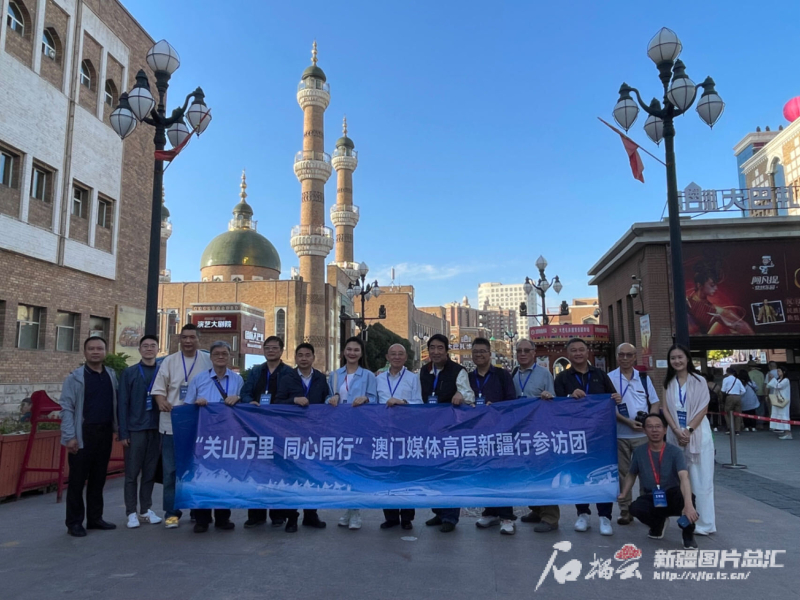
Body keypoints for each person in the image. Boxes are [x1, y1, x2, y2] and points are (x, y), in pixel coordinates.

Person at [554, 338, 621, 536]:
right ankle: (582, 513)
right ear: (568, 354)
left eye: (581, 349)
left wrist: (616, 398)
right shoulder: (562, 378)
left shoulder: (600, 375)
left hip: (600, 434)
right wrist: (569, 397)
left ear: (587, 351)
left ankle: (605, 516)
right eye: (573, 350)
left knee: (604, 474)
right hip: (575, 434)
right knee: (579, 473)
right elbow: (556, 406)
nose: (578, 353)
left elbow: (613, 397)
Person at [151, 323, 212, 529]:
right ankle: (171, 513)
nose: (188, 341)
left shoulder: (207, 360)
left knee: (197, 470)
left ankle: (197, 510)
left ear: (198, 339)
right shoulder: (169, 361)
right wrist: (161, 402)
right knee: (171, 472)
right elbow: (158, 390)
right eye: (184, 337)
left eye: (192, 337)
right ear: (179, 339)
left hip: (200, 426)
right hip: (172, 425)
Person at [60, 336, 119, 537]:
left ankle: (95, 518)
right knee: (77, 481)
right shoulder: (75, 378)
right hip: (82, 434)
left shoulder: (111, 375)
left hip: (104, 433)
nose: (95, 352)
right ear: (85, 352)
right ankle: (74, 522)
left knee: (98, 479)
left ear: (105, 352)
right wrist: (70, 436)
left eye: (99, 348)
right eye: (91, 349)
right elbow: (67, 408)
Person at [183, 341, 242, 532]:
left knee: (224, 476)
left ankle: (223, 518)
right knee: (202, 475)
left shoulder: (237, 380)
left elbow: (243, 409)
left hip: (227, 435)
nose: (221, 357)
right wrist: (197, 403)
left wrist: (238, 398)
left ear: (229, 356)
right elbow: (187, 407)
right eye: (217, 354)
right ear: (211, 357)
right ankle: (202, 519)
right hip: (204, 435)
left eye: (224, 353)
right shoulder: (199, 379)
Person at [618, 413, 699, 550]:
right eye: (650, 427)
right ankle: (658, 524)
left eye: (658, 426)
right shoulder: (639, 452)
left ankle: (688, 534)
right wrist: (623, 494)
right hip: (652, 496)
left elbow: (684, 477)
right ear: (644, 430)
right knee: (636, 508)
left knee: (687, 497)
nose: (654, 430)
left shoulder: (675, 452)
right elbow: (631, 474)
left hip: (672, 495)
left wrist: (688, 505)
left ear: (665, 430)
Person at [420, 334, 475, 533]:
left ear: (446, 350)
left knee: (450, 473)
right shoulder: (424, 371)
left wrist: (461, 394)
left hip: (451, 430)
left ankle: (450, 517)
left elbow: (469, 395)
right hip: (430, 430)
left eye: (440, 348)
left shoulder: (458, 371)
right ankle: (439, 512)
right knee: (433, 473)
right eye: (432, 348)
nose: (436, 352)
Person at [272, 342, 329, 531]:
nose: (304, 358)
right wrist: (294, 400)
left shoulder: (320, 378)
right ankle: (292, 518)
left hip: (314, 434)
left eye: (307, 355)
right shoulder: (286, 377)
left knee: (313, 475)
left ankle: (311, 515)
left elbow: (325, 401)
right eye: (300, 355)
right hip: (292, 434)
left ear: (313, 357)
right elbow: (277, 402)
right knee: (292, 476)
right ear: (296, 358)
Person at [240, 335, 295, 529]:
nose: (271, 351)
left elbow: (295, 397)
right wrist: (250, 402)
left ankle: (278, 514)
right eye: (267, 348)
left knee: (278, 471)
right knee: (256, 470)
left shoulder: (289, 373)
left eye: (274, 348)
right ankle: (256, 515)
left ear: (281, 351)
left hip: (280, 428)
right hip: (257, 427)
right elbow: (245, 392)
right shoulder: (256, 371)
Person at [662, 344, 715, 535]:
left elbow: (703, 408)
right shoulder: (668, 382)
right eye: (673, 358)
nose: (677, 361)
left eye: (680, 357)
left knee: (701, 480)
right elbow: (665, 409)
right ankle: (686, 517)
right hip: (675, 435)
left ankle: (705, 523)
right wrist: (677, 430)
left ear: (687, 359)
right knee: (681, 479)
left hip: (698, 434)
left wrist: (688, 430)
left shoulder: (699, 380)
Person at [327, 336, 378, 530]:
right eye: (349, 349)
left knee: (356, 468)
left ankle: (355, 510)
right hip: (339, 428)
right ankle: (349, 509)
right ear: (343, 352)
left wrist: (365, 399)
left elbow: (375, 399)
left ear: (361, 353)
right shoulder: (334, 375)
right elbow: (327, 398)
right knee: (343, 469)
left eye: (356, 350)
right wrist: (330, 399)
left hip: (360, 428)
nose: (352, 353)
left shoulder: (368, 376)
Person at [607, 342, 660, 526]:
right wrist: (628, 421)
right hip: (619, 435)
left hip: (642, 436)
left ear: (635, 357)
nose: (625, 358)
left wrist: (650, 421)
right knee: (623, 474)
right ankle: (625, 510)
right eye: (621, 354)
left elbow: (655, 402)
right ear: (617, 357)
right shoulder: (609, 378)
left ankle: (646, 509)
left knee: (647, 474)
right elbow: (606, 407)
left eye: (629, 355)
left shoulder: (643, 378)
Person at [469, 338, 517, 535]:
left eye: (482, 351)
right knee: (485, 472)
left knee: (502, 473)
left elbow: (511, 401)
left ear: (490, 354)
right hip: (478, 433)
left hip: (500, 431)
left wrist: (495, 408)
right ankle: (490, 512)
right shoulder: (468, 377)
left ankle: (507, 517)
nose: (479, 355)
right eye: (475, 352)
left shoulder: (502, 375)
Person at [511, 339, 558, 532]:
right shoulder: (513, 374)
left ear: (533, 353)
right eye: (519, 351)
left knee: (543, 473)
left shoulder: (544, 374)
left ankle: (550, 517)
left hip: (540, 432)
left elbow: (553, 400)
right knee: (527, 474)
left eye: (526, 350)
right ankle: (536, 509)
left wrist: (547, 396)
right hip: (521, 433)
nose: (522, 354)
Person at [117, 335, 163, 529]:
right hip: (135, 429)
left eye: (153, 345)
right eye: (145, 346)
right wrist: (123, 432)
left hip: (156, 429)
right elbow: (122, 403)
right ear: (140, 350)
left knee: (150, 473)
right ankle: (131, 512)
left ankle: (145, 509)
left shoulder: (163, 372)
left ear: (158, 349)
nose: (149, 349)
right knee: (132, 473)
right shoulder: (130, 373)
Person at [376, 343, 422, 530]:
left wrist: (403, 402)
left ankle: (407, 517)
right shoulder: (378, 378)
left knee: (406, 474)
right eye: (393, 354)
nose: (396, 357)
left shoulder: (413, 378)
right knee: (387, 474)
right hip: (384, 433)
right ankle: (391, 517)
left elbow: (419, 402)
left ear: (405, 357)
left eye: (400, 354)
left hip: (406, 433)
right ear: (387, 357)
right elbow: (373, 402)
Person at [767, 367, 792, 440]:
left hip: (783, 399)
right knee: (778, 414)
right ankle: (782, 429)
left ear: (783, 372)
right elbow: (769, 385)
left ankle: (788, 432)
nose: (778, 373)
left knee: (784, 415)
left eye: (779, 371)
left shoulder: (786, 380)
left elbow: (779, 386)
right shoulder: (778, 380)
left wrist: (773, 379)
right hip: (778, 399)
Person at [721, 366, 745, 435]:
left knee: (727, 413)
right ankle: (737, 430)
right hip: (738, 397)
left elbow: (723, 390)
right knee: (738, 414)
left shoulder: (725, 379)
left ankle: (730, 428)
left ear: (727, 372)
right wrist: (738, 394)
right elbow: (743, 390)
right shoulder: (737, 380)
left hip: (730, 397)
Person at [748, 361, 767, 429]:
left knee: (753, 409)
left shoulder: (750, 373)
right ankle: (761, 423)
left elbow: (750, 384)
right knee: (761, 409)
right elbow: (764, 383)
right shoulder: (761, 373)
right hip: (762, 392)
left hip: (754, 393)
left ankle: (754, 424)